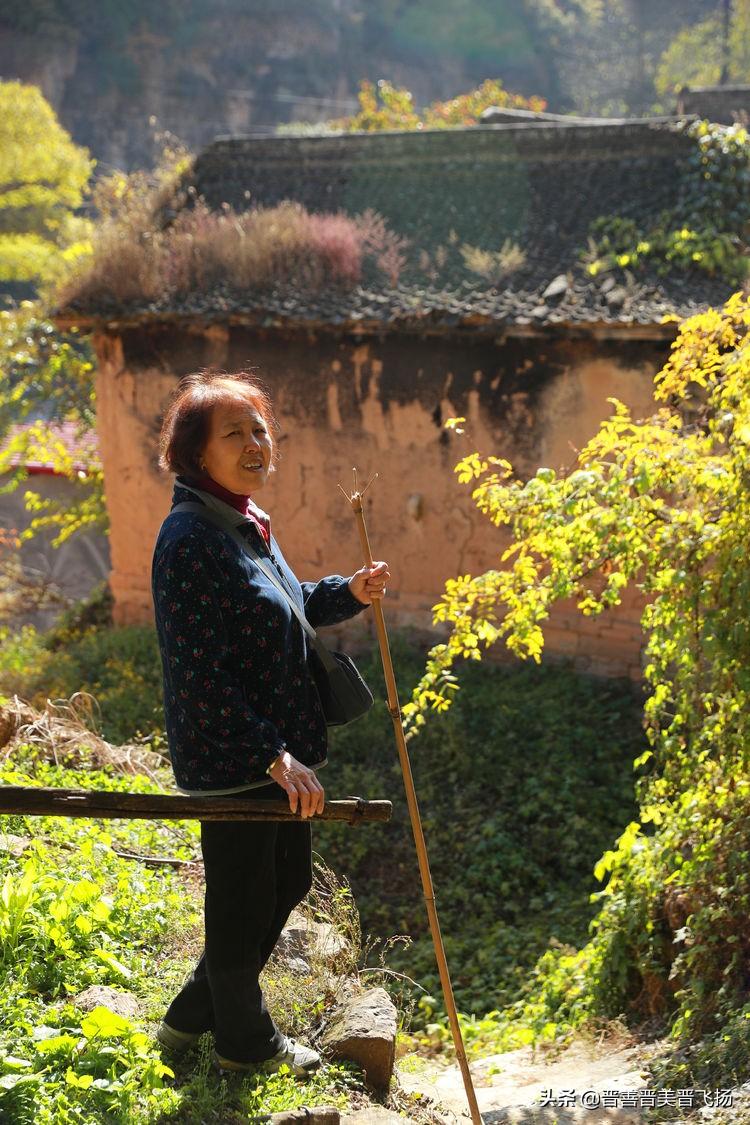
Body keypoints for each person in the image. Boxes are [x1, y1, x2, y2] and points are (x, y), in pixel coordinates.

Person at [151, 369, 389, 1075]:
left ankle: (184, 1024)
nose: (256, 442)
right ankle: (246, 1047)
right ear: (196, 454)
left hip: (277, 756)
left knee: (281, 888)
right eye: (236, 432)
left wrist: (346, 590)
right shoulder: (192, 539)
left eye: (261, 429)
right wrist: (270, 756)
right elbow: (200, 676)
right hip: (237, 762)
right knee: (240, 904)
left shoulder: (245, 523)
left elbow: (285, 603)